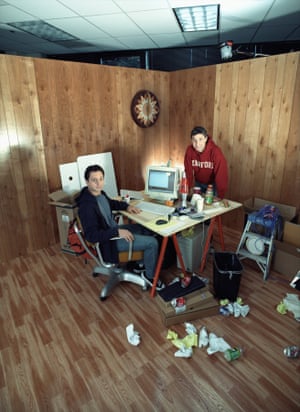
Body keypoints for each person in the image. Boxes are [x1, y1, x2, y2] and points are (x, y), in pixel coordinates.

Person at [76, 164, 165, 290]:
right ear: (87, 181)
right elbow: (92, 236)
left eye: (101, 179)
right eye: (94, 180)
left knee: (145, 229)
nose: (98, 183)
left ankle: (140, 265)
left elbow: (110, 203)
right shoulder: (87, 206)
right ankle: (150, 277)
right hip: (109, 243)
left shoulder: (98, 194)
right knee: (152, 243)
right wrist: (117, 233)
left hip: (113, 231)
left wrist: (126, 206)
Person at [184, 126, 228, 200]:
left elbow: (221, 174)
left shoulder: (216, 152)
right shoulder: (189, 151)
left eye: (200, 139)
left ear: (206, 138)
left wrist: (220, 195)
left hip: (213, 185)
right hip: (198, 183)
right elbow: (188, 171)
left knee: (212, 207)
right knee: (196, 205)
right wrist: (189, 187)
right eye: (194, 140)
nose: (197, 144)